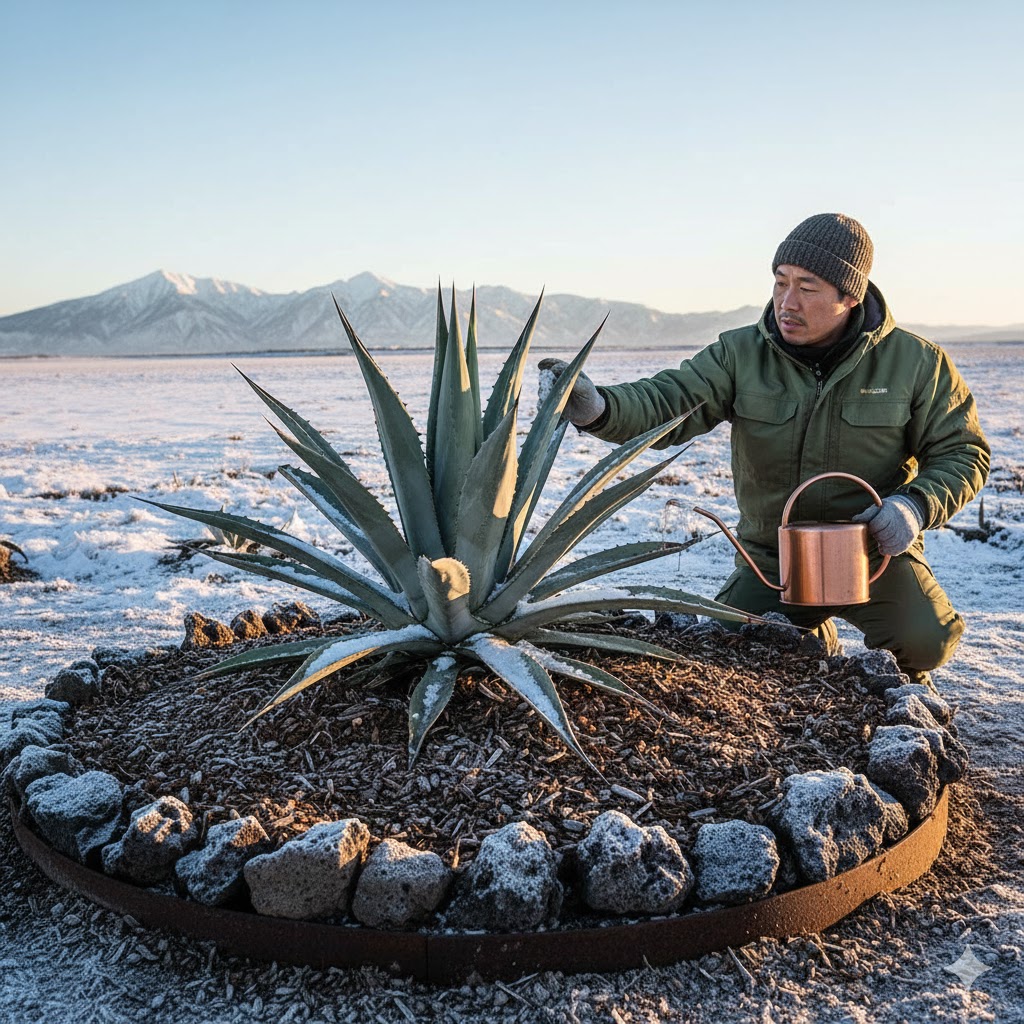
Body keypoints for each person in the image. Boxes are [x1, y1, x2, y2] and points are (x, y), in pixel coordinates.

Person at [540, 213, 990, 684]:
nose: (786, 303)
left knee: (926, 641)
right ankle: (809, 641)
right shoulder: (739, 354)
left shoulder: (917, 362)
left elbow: (963, 451)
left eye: (808, 288)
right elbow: (670, 398)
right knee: (729, 650)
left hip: (872, 555)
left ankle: (903, 694)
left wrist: (914, 506)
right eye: (780, 283)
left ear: (850, 296)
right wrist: (599, 408)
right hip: (773, 559)